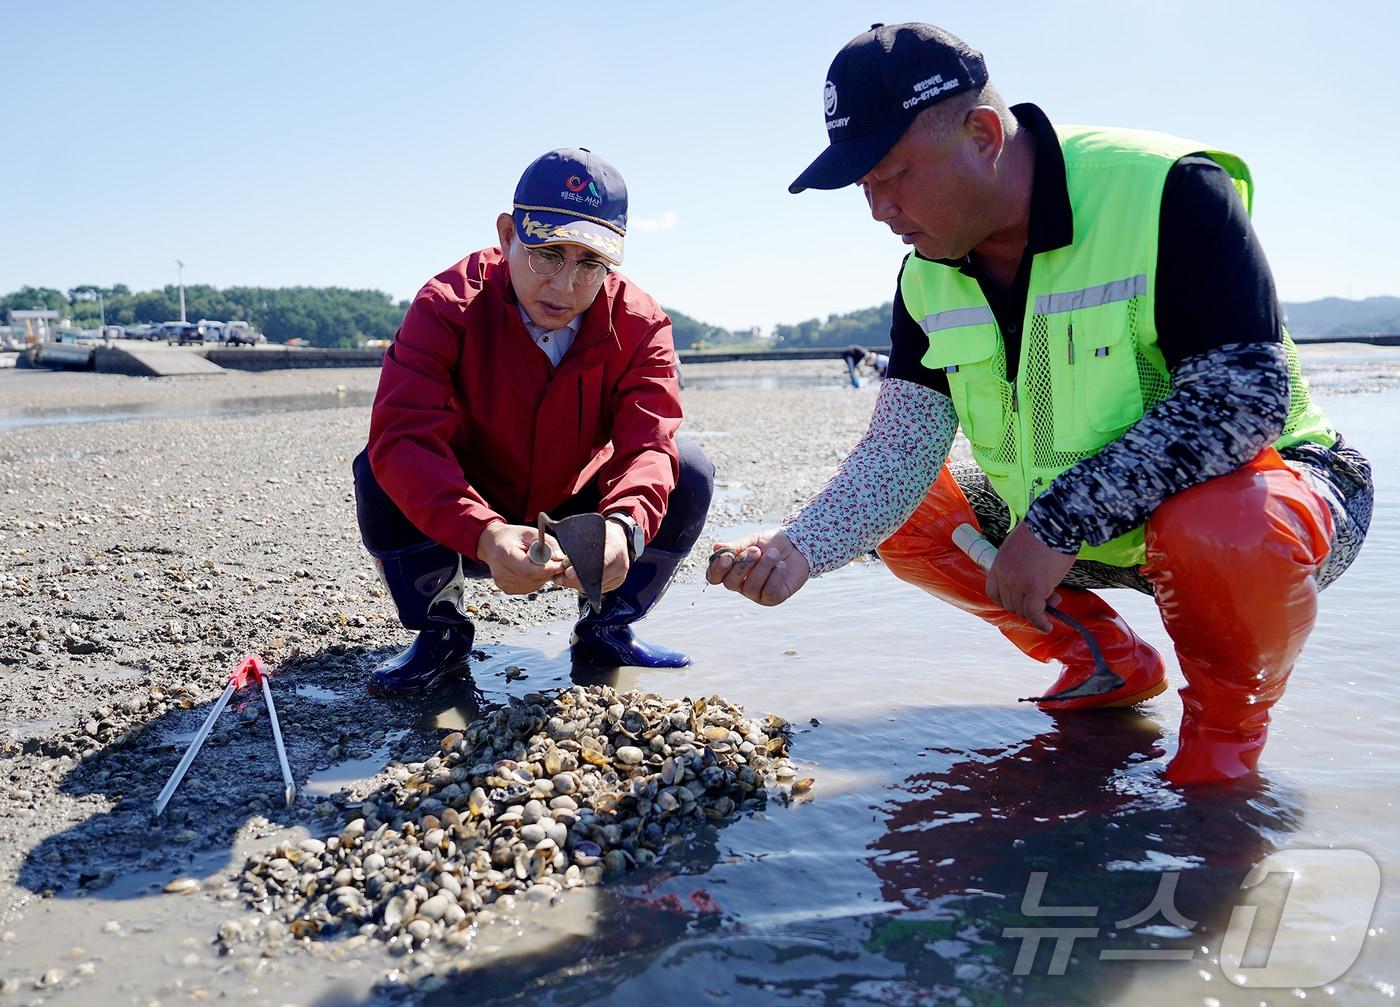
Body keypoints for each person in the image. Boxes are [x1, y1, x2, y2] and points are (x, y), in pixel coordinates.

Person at [707, 24, 1372, 786]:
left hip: (1277, 502)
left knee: (1223, 527)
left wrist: (1061, 520)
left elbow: (1242, 399)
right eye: (863, 185)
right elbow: (898, 454)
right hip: (1080, 537)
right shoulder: (926, 275)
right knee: (913, 515)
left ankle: (1221, 761)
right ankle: (1105, 661)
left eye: (891, 174)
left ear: (984, 133)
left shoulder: (1168, 191)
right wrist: (799, 549)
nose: (877, 209)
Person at [355, 147, 714, 696]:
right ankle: (440, 633)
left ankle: (608, 625)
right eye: (547, 253)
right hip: (467, 511)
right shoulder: (446, 305)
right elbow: (403, 436)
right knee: (380, 466)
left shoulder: (640, 324)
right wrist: (484, 532)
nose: (565, 286)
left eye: (590, 264)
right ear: (507, 235)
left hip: (580, 513)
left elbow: (649, 443)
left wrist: (624, 528)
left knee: (687, 467)